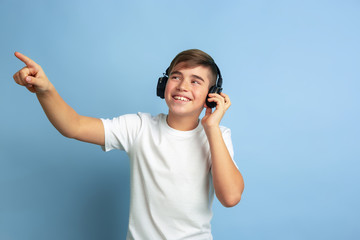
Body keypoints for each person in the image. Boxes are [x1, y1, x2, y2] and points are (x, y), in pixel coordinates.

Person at [13, 49, 244, 240]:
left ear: (211, 95)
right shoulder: (140, 127)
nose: (183, 86)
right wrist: (45, 90)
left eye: (196, 81)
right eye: (176, 76)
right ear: (163, 84)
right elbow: (73, 126)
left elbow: (231, 197)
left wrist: (211, 128)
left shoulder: (218, 136)